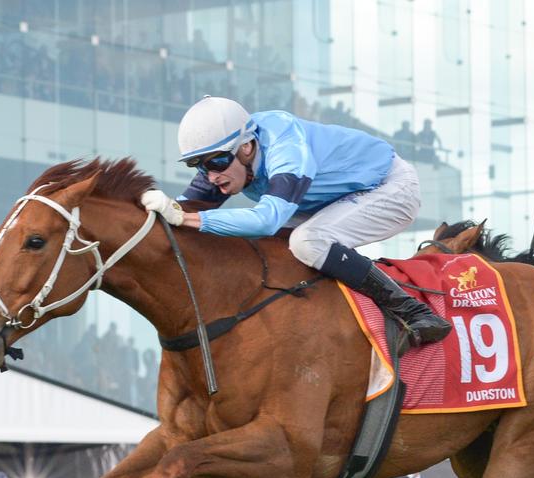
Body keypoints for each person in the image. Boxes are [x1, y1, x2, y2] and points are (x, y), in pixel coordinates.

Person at [140, 96, 450, 349]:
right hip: (336, 197)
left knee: (307, 241)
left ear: (246, 147)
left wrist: (186, 217)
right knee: (269, 245)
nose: (210, 175)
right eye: (200, 166)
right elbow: (181, 212)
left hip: (390, 187)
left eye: (217, 162)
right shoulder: (229, 155)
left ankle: (414, 312)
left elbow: (265, 219)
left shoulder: (286, 149)